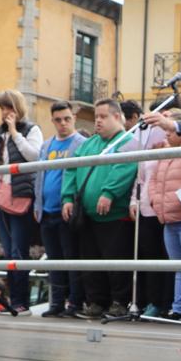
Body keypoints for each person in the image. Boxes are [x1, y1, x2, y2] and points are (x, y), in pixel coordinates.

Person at [60, 99, 137, 319]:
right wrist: (67, 197)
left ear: (116, 116)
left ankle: (119, 302)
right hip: (88, 215)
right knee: (90, 261)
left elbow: (125, 167)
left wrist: (109, 192)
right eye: (96, 117)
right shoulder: (88, 144)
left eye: (103, 117)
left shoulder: (128, 141)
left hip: (115, 216)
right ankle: (95, 302)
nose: (98, 122)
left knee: (116, 261)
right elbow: (71, 170)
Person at [0, 89, 41, 313]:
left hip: (20, 197)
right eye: (2, 108)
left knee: (18, 251)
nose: (4, 112)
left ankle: (21, 302)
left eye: (8, 107)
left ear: (18, 109)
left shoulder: (31, 129)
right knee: (8, 251)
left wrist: (15, 132)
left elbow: (34, 156)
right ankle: (14, 301)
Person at [145, 109, 181, 324]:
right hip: (168, 219)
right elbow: (153, 181)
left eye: (170, 130)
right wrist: (154, 199)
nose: (167, 135)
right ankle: (179, 307)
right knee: (178, 266)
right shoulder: (167, 151)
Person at [34, 100, 86, 318]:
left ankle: (74, 303)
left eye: (67, 119)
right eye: (58, 120)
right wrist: (37, 204)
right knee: (54, 261)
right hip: (46, 211)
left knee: (71, 259)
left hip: (68, 211)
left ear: (73, 118)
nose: (63, 124)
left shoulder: (82, 143)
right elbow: (38, 175)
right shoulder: (46, 146)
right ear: (52, 120)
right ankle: (56, 303)